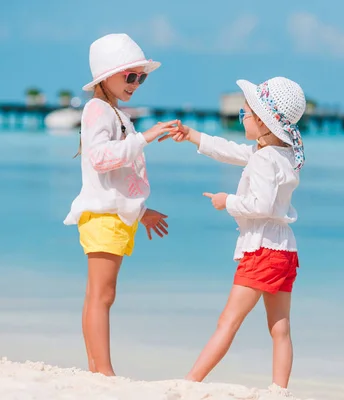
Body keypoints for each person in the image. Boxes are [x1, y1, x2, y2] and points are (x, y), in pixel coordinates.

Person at [163, 76, 306, 395]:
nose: (241, 117)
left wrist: (226, 201)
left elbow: (263, 204)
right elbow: (229, 150)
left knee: (228, 321)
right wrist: (192, 136)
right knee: (280, 327)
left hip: (262, 252)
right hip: (284, 250)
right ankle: (279, 390)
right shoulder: (280, 154)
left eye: (246, 113)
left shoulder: (266, 158)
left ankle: (191, 381)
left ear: (265, 123)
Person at [63, 33, 178, 376]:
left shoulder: (112, 111)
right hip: (104, 218)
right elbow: (101, 159)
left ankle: (96, 367)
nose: (136, 84)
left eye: (140, 77)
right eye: (130, 76)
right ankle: (104, 371)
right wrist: (146, 137)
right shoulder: (98, 109)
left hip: (111, 215)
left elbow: (115, 179)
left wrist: (141, 212)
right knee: (102, 295)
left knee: (97, 295)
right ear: (105, 76)